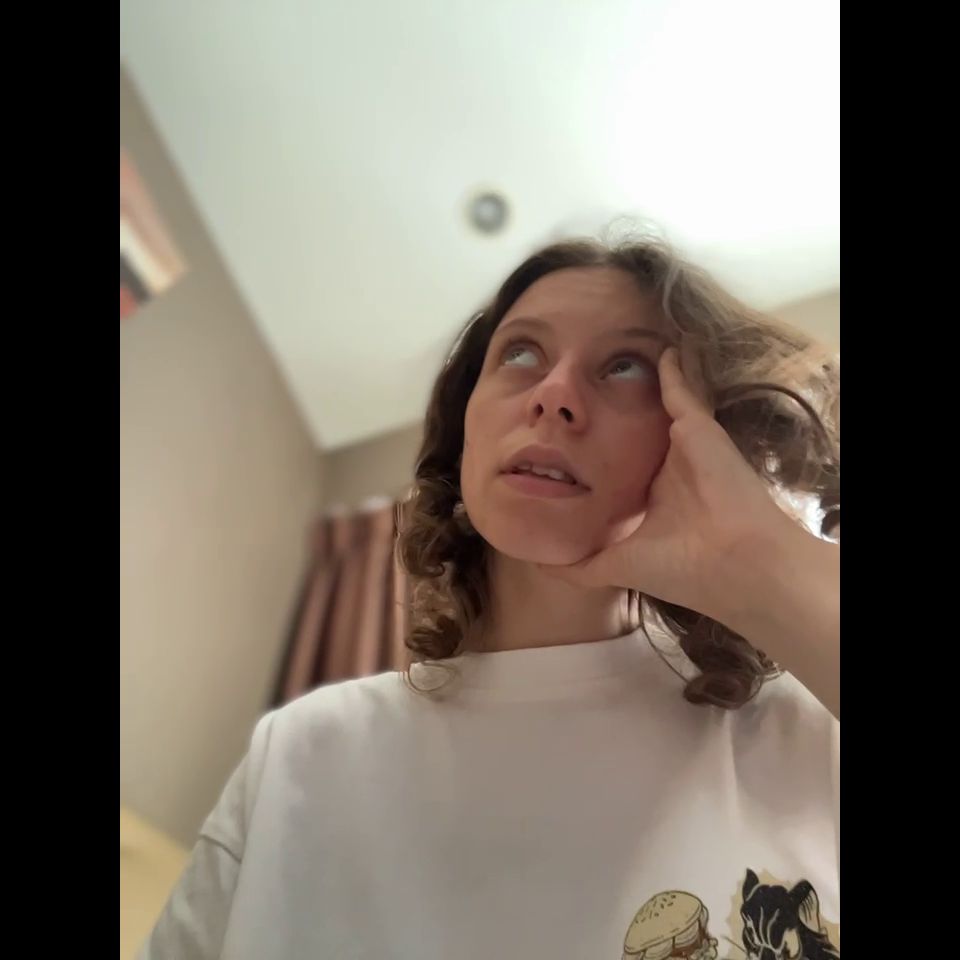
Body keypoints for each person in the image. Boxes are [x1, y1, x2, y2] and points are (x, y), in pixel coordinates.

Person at [141, 236, 840, 960]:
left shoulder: (798, 732)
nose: (554, 394)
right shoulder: (302, 755)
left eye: (624, 367)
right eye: (521, 353)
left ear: (690, 438)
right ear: (465, 430)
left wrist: (757, 561)